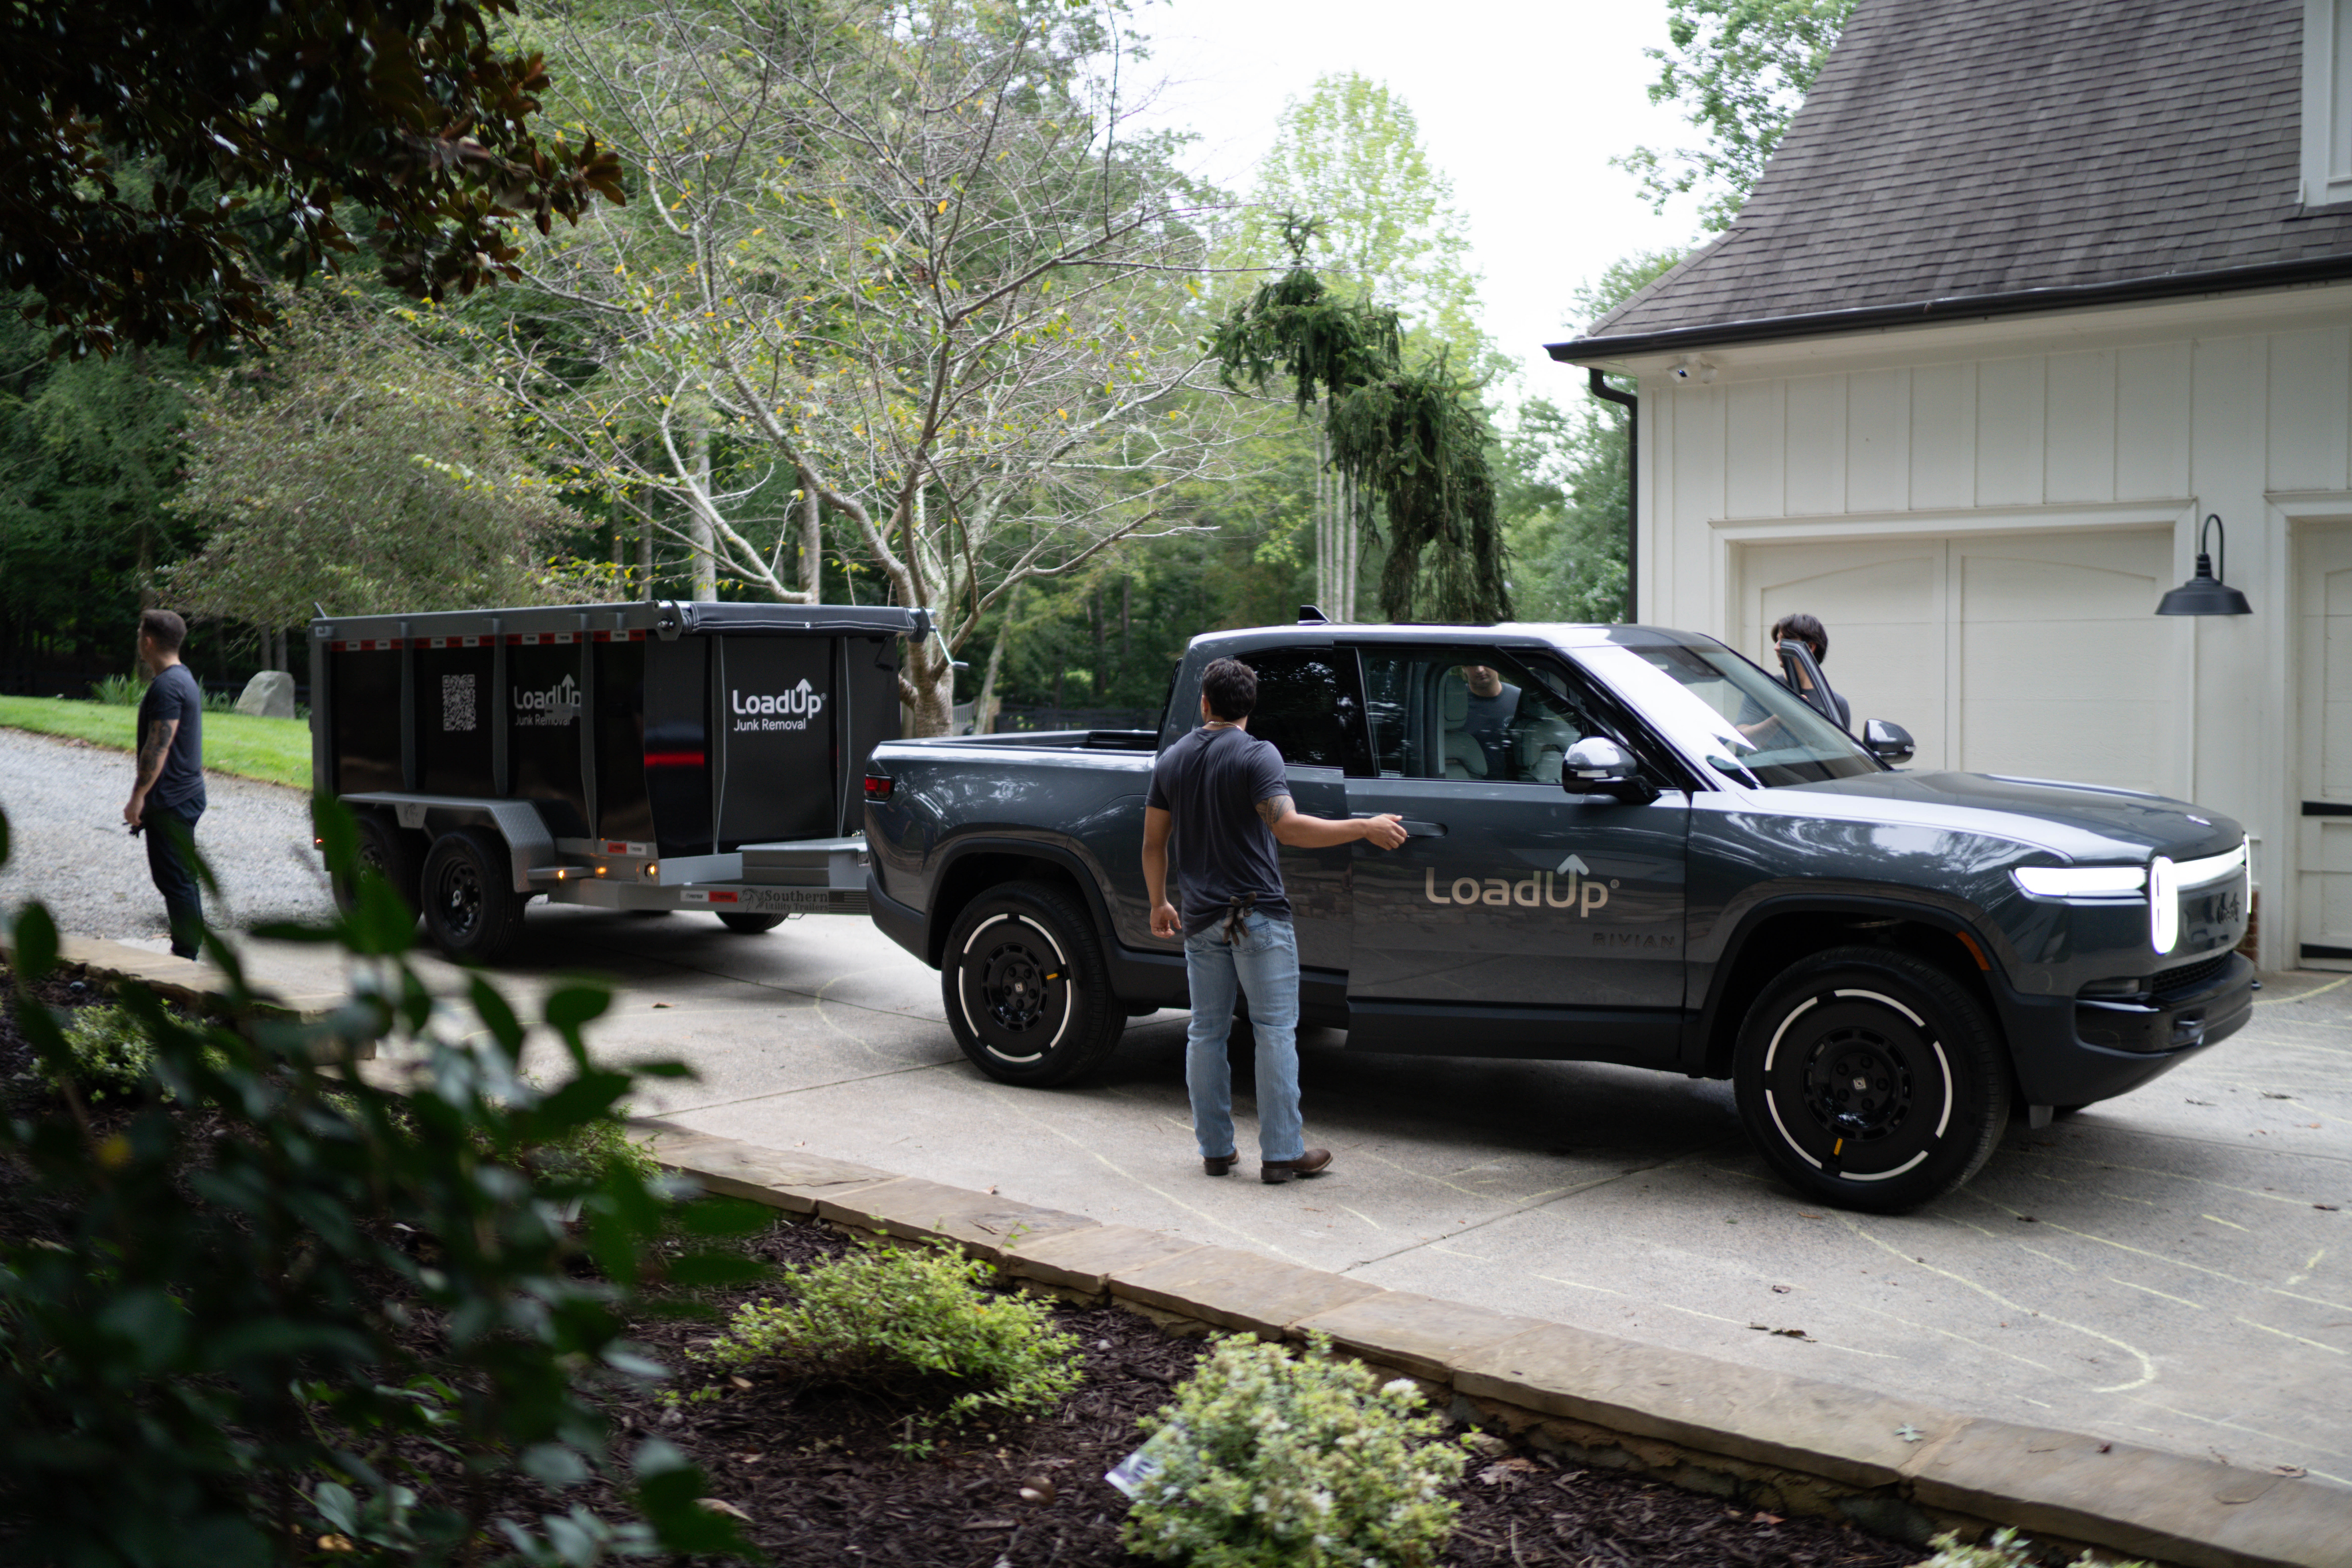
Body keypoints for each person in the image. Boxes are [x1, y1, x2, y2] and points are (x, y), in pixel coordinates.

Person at [1142, 657, 1407, 1184]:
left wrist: (1158, 902)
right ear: (1250, 706)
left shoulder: (1172, 759)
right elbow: (1287, 828)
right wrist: (1364, 826)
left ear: (1205, 703)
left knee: (1206, 1033)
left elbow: (1154, 843)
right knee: (1274, 1033)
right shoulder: (1257, 754)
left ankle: (1216, 1150)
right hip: (1257, 915)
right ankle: (1282, 1152)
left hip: (1200, 919)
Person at [121, 609, 207, 958]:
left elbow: (159, 745)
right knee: (178, 877)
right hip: (182, 796)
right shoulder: (182, 679)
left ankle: (186, 956)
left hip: (172, 800)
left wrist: (137, 797)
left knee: (176, 880)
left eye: (140, 635)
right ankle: (188, 948)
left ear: (148, 641)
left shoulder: (169, 686)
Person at [1770, 612, 1849, 729]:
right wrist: (1781, 717)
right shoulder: (1764, 688)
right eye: (1777, 640)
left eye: (1785, 640)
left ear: (1810, 647)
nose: (1776, 647)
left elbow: (1842, 747)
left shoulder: (1837, 705)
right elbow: (1740, 742)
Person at [1457, 664, 1522, 779]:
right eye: (1473, 665)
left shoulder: (1519, 699)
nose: (1480, 670)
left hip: (1518, 785)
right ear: (1464, 669)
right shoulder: (1454, 705)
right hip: (1472, 786)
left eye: (1484, 663)